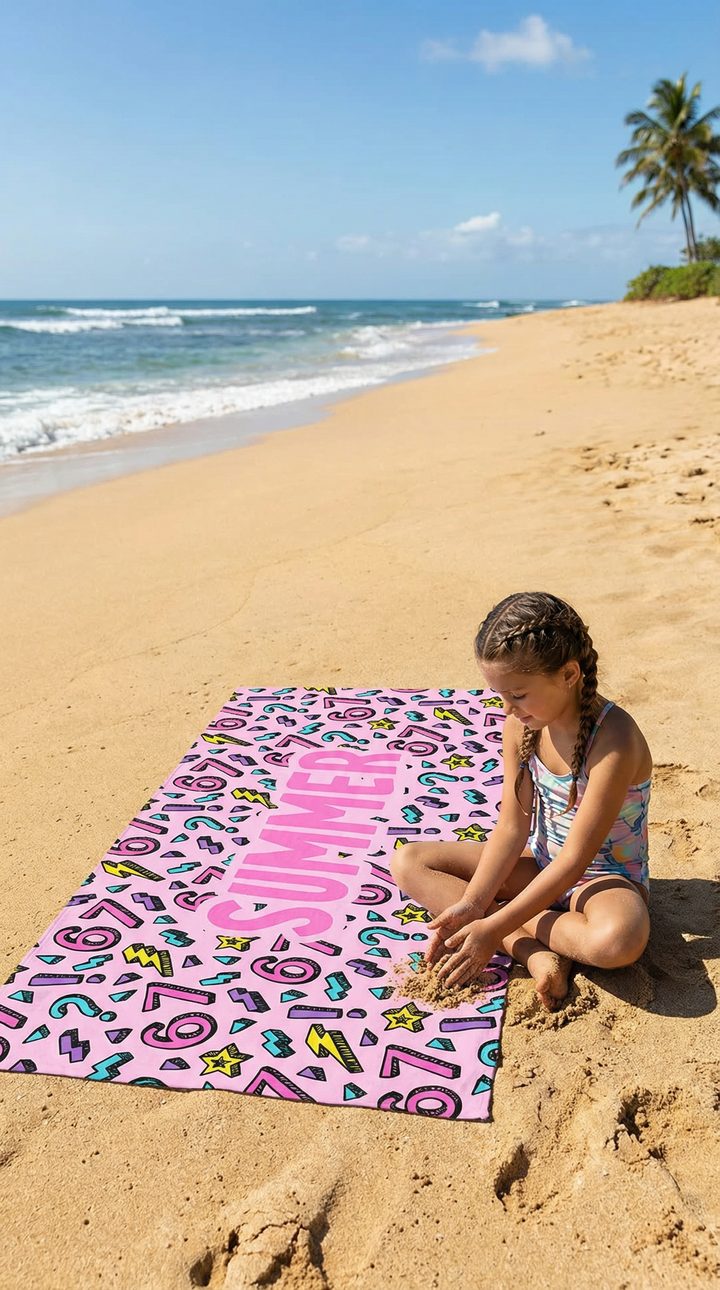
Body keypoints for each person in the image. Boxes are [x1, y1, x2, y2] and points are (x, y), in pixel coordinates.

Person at [391, 591, 652, 1010]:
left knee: (618, 940)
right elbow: (512, 829)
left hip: (602, 881)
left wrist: (493, 923)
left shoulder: (614, 740)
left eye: (518, 694)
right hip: (541, 865)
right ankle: (533, 952)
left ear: (569, 674)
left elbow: (576, 860)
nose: (508, 708)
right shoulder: (521, 727)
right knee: (409, 862)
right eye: (500, 695)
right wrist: (473, 904)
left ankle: (513, 925)